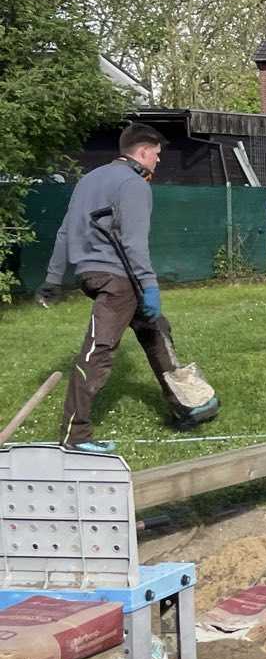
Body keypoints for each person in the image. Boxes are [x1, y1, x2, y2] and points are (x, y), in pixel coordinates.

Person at [36, 124, 180, 452]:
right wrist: (150, 286)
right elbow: (134, 243)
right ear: (143, 152)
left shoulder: (89, 180)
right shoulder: (134, 184)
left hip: (89, 273)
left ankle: (185, 405)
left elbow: (63, 232)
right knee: (97, 352)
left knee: (156, 331)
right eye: (157, 155)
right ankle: (76, 435)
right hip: (118, 279)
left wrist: (53, 280)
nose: (158, 161)